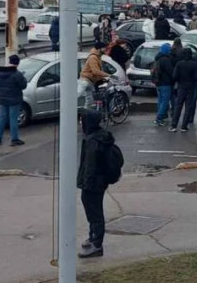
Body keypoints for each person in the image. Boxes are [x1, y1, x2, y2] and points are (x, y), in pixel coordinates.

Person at [77, 110, 116, 258]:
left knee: (94, 213)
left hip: (93, 183)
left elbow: (90, 167)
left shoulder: (93, 141)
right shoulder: (100, 137)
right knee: (94, 211)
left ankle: (97, 244)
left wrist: (86, 184)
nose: (81, 123)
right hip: (100, 181)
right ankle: (93, 237)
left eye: (82, 120)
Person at [0, 54, 27, 146]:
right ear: (17, 63)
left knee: (1, 119)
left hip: (2, 100)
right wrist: (23, 78)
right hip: (14, 100)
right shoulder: (17, 74)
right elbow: (23, 86)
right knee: (13, 119)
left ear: (9, 62)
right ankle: (14, 139)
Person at [171, 48, 197, 132]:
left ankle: (174, 125)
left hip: (181, 87)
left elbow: (174, 76)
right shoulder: (194, 64)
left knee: (178, 106)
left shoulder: (179, 64)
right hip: (191, 87)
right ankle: (184, 126)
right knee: (188, 107)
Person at [79, 41, 110, 110]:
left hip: (90, 81)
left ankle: (86, 116)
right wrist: (107, 75)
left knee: (89, 101)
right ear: (99, 49)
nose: (105, 49)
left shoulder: (97, 57)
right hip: (85, 80)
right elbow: (95, 71)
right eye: (104, 48)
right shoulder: (93, 57)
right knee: (78, 95)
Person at [152, 43, 174, 127]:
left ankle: (160, 116)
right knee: (165, 101)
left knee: (160, 101)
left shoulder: (158, 59)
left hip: (159, 83)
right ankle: (159, 118)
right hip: (166, 83)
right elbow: (171, 72)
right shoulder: (166, 60)